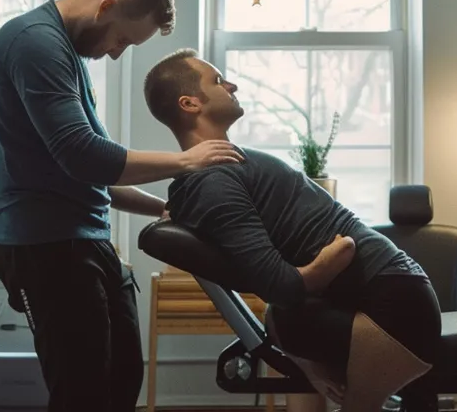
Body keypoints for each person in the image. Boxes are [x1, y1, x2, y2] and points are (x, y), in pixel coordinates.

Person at [0, 0, 244, 412]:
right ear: (107, 7)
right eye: (122, 39)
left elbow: (89, 174)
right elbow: (84, 154)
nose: (117, 53)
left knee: (122, 380)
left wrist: (164, 210)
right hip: (45, 246)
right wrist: (186, 161)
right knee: (82, 395)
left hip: (84, 241)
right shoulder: (36, 44)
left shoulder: (64, 53)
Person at [141, 48, 441, 412]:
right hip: (392, 300)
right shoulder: (213, 181)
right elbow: (280, 286)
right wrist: (329, 261)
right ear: (190, 104)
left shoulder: (222, 170)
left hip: (396, 300)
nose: (231, 84)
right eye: (218, 81)